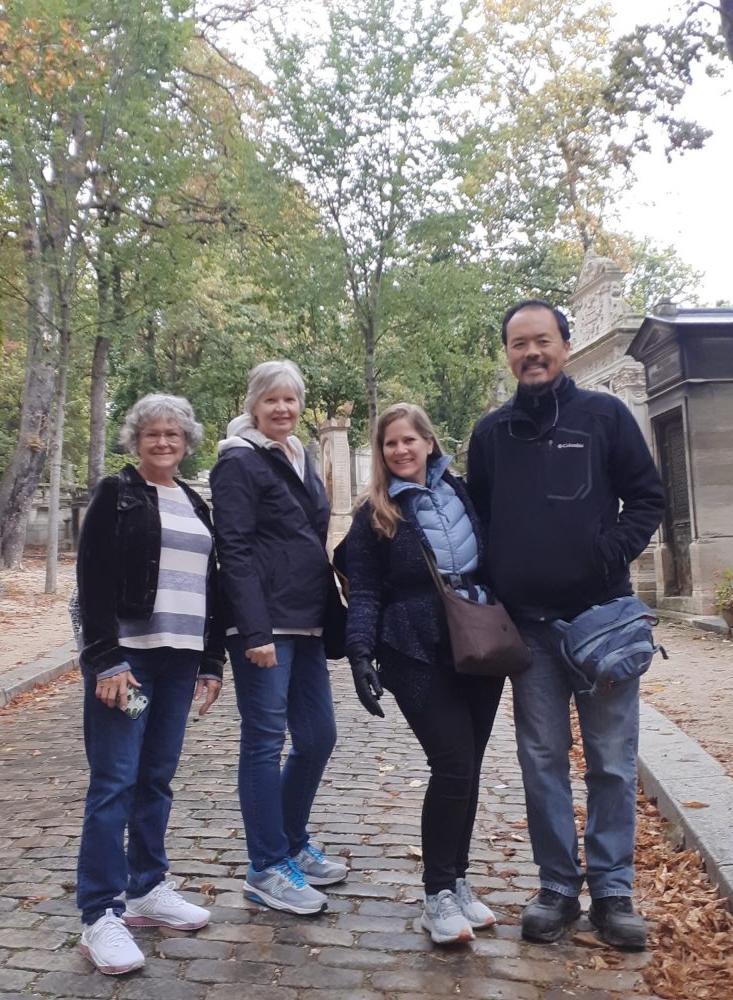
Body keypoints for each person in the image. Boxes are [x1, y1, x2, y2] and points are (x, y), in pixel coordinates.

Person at [465, 300, 664, 950]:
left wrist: (604, 554)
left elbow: (648, 499)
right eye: (518, 344)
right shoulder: (491, 435)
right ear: (507, 353)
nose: (531, 353)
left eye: (542, 340)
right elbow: (480, 520)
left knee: (610, 761)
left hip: (601, 624)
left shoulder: (605, 416)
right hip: (532, 636)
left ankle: (612, 892)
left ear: (565, 344)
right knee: (541, 761)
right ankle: (557, 888)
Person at [341, 402, 504, 945]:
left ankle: (457, 881)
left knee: (471, 768)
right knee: (452, 762)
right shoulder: (374, 513)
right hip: (412, 647)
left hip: (479, 642)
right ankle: (436, 895)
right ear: (381, 452)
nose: (401, 450)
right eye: (390, 443)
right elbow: (363, 588)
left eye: (410, 440)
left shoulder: (461, 493)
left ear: (430, 443)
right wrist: (361, 652)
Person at [75, 393, 225, 975]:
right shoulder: (117, 494)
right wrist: (106, 659)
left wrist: (212, 662)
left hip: (179, 660)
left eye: (173, 434)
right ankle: (98, 915)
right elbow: (93, 578)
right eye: (152, 434)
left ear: (188, 441)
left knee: (156, 778)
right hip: (129, 662)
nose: (163, 442)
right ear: (135, 440)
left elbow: (211, 587)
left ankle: (146, 888)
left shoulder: (194, 500)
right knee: (115, 782)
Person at [210, 359, 347, 916]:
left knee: (317, 737)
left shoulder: (298, 454)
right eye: (272, 400)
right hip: (264, 624)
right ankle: (266, 866)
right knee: (265, 743)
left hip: (308, 619)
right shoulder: (238, 462)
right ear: (253, 405)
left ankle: (290, 843)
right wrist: (254, 628)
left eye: (291, 399)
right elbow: (234, 549)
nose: (283, 409)